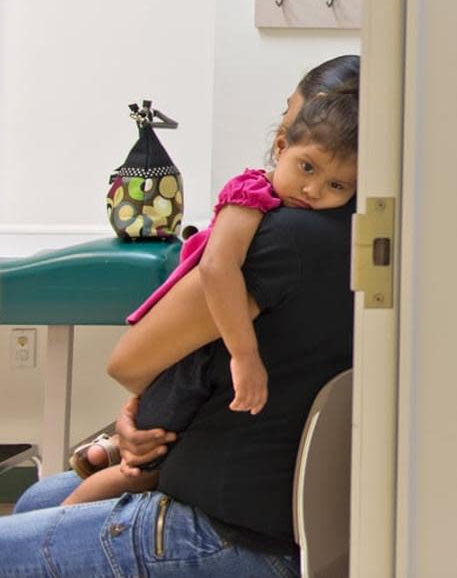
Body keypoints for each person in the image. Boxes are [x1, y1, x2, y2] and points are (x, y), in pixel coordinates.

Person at [0, 56, 359, 575]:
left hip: (216, 528)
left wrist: (231, 359)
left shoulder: (277, 234)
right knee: (41, 500)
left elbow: (130, 363)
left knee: (40, 516)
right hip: (278, 515)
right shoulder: (356, 233)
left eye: (289, 110)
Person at [60, 84, 357, 506]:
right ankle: (74, 502)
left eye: (336, 186)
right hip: (200, 350)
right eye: (306, 168)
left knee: (138, 470)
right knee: (134, 467)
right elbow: (218, 268)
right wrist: (244, 354)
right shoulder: (252, 195)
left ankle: (78, 495)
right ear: (281, 146)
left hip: (200, 359)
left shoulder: (292, 226)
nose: (313, 191)